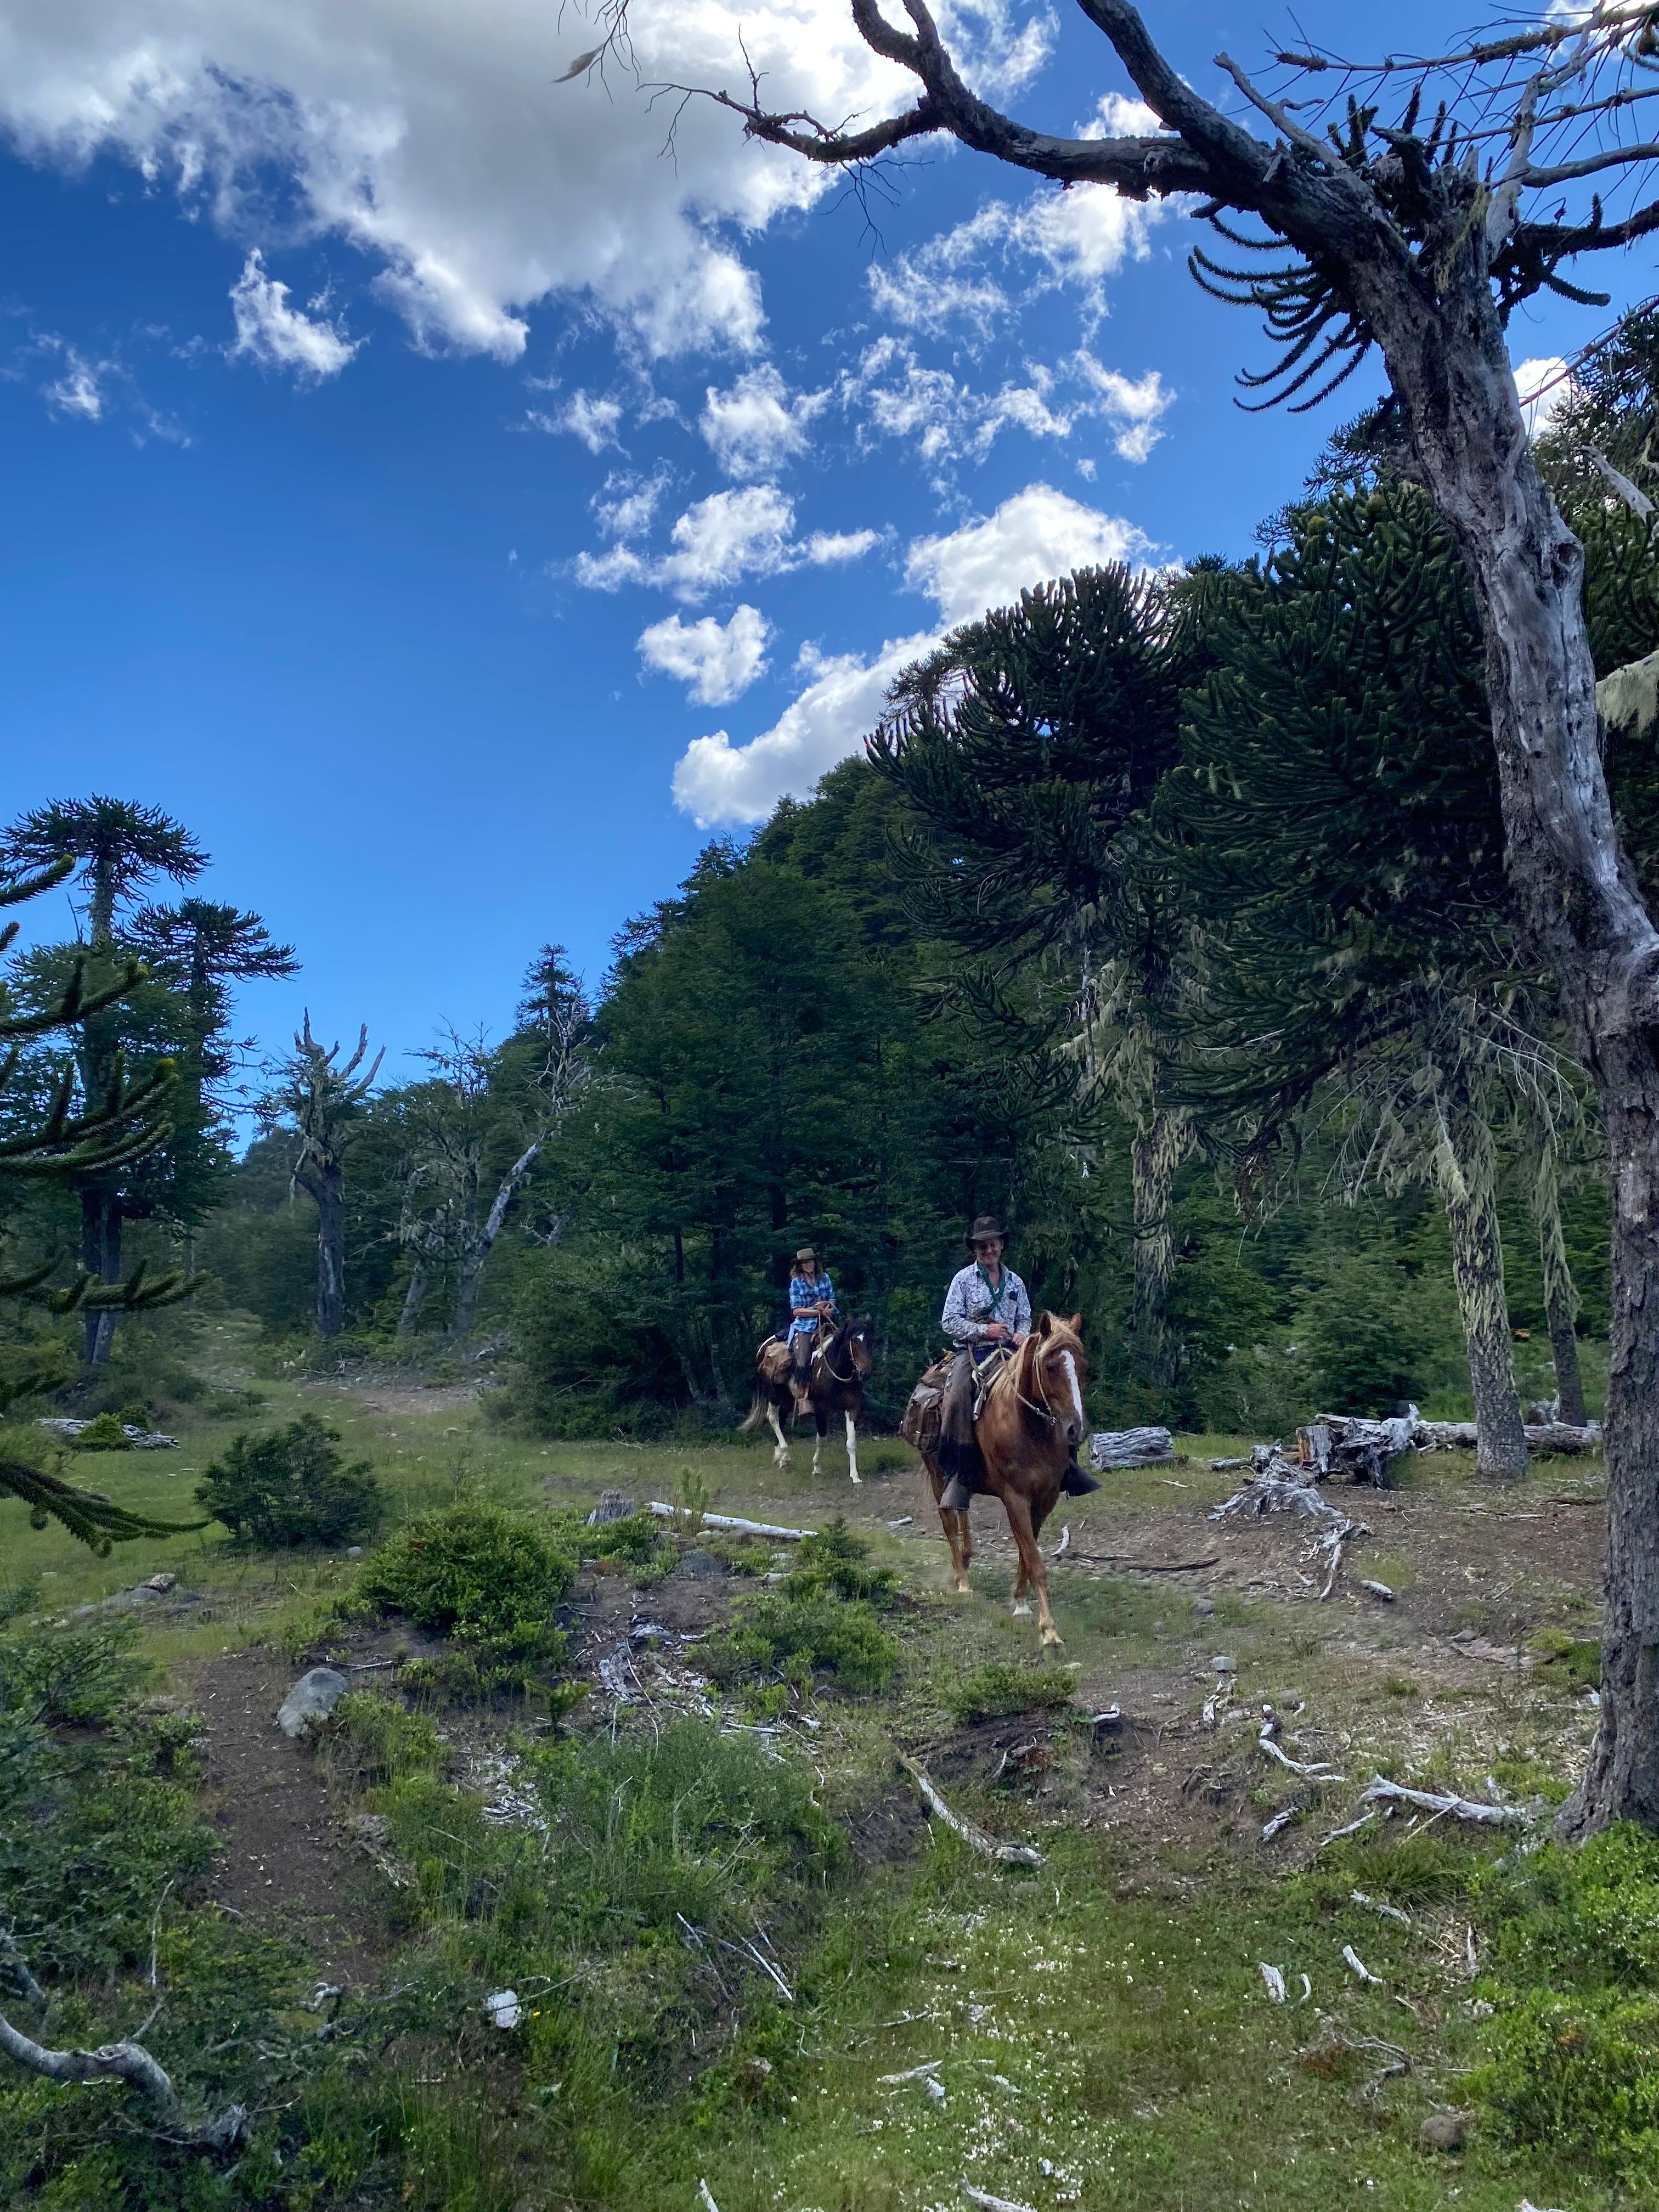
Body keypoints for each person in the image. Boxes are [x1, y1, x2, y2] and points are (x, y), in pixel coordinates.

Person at [935, 1215, 1098, 1511]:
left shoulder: (1015, 1282)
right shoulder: (963, 1280)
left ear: (1001, 1245)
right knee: (958, 1394)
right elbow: (949, 1322)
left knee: (1054, 1386)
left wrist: (1022, 1333)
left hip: (1013, 1351)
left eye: (993, 1244)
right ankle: (959, 1472)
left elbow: (1024, 1315)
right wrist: (984, 1330)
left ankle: (1068, 1466)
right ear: (976, 1249)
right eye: (982, 1246)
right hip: (974, 1353)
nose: (989, 1251)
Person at [786, 1245, 836, 1413]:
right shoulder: (797, 1283)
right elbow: (796, 1311)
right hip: (805, 1326)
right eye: (805, 1263)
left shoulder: (825, 1278)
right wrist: (816, 1311)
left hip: (826, 1322)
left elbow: (833, 1300)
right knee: (804, 1357)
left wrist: (827, 1305)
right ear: (800, 1265)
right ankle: (803, 1398)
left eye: (811, 1262)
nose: (809, 1265)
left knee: (847, 1345)